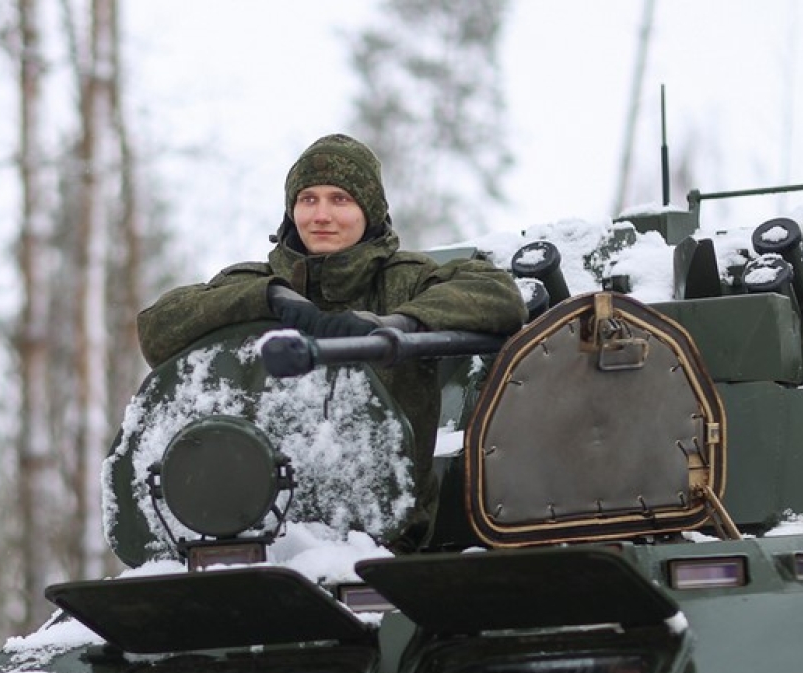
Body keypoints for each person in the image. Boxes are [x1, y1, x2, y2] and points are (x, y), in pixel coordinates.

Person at [137, 133, 526, 545]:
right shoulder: (251, 283)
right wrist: (268, 298)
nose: (321, 215)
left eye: (340, 199)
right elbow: (157, 328)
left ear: (369, 210)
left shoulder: (405, 280)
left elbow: (499, 296)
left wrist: (396, 322)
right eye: (308, 200)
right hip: (253, 525)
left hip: (383, 531)